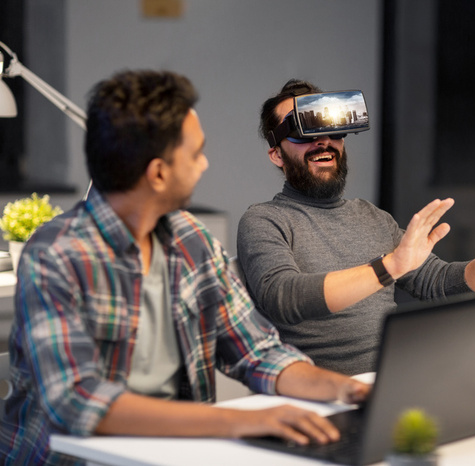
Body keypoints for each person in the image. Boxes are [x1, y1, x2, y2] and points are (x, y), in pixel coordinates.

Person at [0, 71, 369, 465]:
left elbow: (258, 352)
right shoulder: (56, 254)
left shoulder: (191, 241)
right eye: (195, 154)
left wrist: (346, 391)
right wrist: (238, 421)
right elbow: (80, 403)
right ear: (158, 173)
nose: (204, 165)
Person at [237, 79, 475, 375]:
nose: (323, 142)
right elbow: (282, 297)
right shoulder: (264, 220)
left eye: (332, 131)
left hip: (391, 382)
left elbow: (439, 284)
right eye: (304, 132)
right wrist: (389, 267)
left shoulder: (373, 218)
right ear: (276, 154)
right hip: (316, 400)